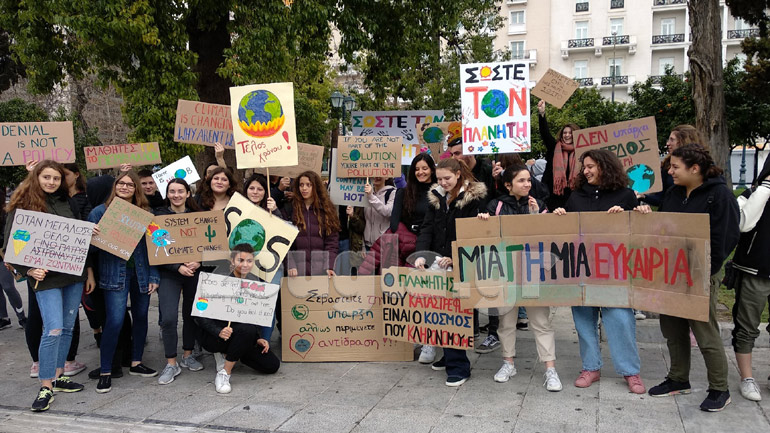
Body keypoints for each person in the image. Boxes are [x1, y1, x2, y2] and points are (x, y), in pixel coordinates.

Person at [639, 144, 739, 412]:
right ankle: (677, 378)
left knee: (704, 332)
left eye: (674, 167)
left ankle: (720, 389)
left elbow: (726, 238)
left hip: (701, 274)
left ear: (695, 169)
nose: (669, 171)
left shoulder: (720, 196)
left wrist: (703, 271)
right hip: (671, 273)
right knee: (672, 329)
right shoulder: (674, 193)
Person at [3, 160, 95, 412]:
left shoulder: (68, 203)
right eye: (47, 177)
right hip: (45, 280)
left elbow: (77, 239)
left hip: (72, 276)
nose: (51, 182)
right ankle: (46, 386)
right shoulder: (22, 206)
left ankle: (59, 374)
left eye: (56, 178)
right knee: (52, 329)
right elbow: (12, 247)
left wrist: (87, 268)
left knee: (66, 328)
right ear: (37, 177)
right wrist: (27, 269)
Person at [553, 149, 645, 394]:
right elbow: (566, 234)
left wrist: (632, 214)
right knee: (584, 321)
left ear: (605, 166)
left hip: (614, 272)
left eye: (591, 166)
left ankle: (630, 371)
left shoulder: (625, 195)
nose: (586, 170)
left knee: (620, 320)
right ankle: (590, 367)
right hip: (581, 270)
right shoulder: (575, 197)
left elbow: (636, 232)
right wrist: (560, 216)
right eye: (584, 167)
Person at [477, 165, 562, 391]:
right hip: (506, 274)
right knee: (506, 322)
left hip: (534, 274)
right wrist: (483, 220)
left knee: (541, 322)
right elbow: (488, 237)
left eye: (529, 180)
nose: (527, 184)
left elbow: (547, 237)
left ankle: (550, 369)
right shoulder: (496, 206)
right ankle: (508, 363)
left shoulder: (540, 205)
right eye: (522, 181)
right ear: (508, 184)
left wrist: (538, 216)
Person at [414, 158, 486, 387]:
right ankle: (449, 355)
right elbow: (427, 227)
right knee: (440, 312)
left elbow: (475, 235)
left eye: (447, 178)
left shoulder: (473, 199)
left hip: (462, 264)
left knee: (455, 314)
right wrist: (422, 255)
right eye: (440, 179)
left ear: (458, 175)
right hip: (439, 262)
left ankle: (459, 367)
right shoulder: (436, 197)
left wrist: (455, 257)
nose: (443, 182)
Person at [88, 171, 160, 393]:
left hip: (141, 274)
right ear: (114, 186)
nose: (125, 187)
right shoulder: (99, 213)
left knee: (140, 318)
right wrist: (90, 235)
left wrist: (154, 276)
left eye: (130, 184)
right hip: (113, 275)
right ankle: (106, 370)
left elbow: (156, 246)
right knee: (115, 321)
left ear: (136, 189)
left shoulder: (146, 214)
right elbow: (88, 251)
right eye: (121, 184)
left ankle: (136, 363)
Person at [194, 244, 280, 394]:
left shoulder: (256, 285)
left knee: (271, 365)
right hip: (217, 337)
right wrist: (218, 331)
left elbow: (253, 316)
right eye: (241, 260)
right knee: (247, 329)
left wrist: (258, 339)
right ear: (232, 261)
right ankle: (224, 373)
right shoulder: (217, 281)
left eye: (249, 261)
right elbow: (199, 314)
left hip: (242, 335)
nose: (245, 264)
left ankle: (235, 353)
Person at [154, 179, 205, 385]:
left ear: (187, 194)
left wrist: (199, 261)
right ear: (167, 194)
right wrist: (177, 267)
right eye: (172, 191)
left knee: (191, 315)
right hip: (169, 274)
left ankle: (187, 354)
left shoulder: (198, 216)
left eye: (180, 191)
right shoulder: (158, 217)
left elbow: (209, 243)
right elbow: (157, 248)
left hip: (193, 272)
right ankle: (171, 362)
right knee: (168, 318)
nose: (176, 195)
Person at [730, 157, 770, 401]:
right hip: (755, 269)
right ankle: (747, 378)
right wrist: (764, 190)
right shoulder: (753, 192)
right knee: (747, 326)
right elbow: (743, 224)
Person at [283, 171, 340, 277]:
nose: (304, 188)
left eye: (308, 185)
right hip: (296, 272)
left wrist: (329, 266)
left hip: (320, 271)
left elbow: (332, 242)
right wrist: (290, 264)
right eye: (301, 185)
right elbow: (284, 241)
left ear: (316, 187)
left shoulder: (326, 210)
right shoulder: (290, 209)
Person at [639, 125, 705, 206]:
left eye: (672, 140)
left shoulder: (713, 186)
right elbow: (661, 199)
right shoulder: (666, 165)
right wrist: (643, 196)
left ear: (694, 169)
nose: (667, 144)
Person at [537, 100, 580, 210]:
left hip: (573, 196)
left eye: (570, 133)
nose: (567, 135)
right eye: (564, 133)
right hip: (553, 196)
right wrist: (542, 114)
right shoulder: (554, 147)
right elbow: (545, 133)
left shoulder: (581, 151)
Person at [363, 177, 395, 250]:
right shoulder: (365, 193)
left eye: (379, 174)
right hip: (368, 245)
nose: (376, 177)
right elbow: (364, 221)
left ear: (386, 177)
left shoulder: (392, 193)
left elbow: (388, 212)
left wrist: (371, 196)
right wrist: (363, 245)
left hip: (384, 246)